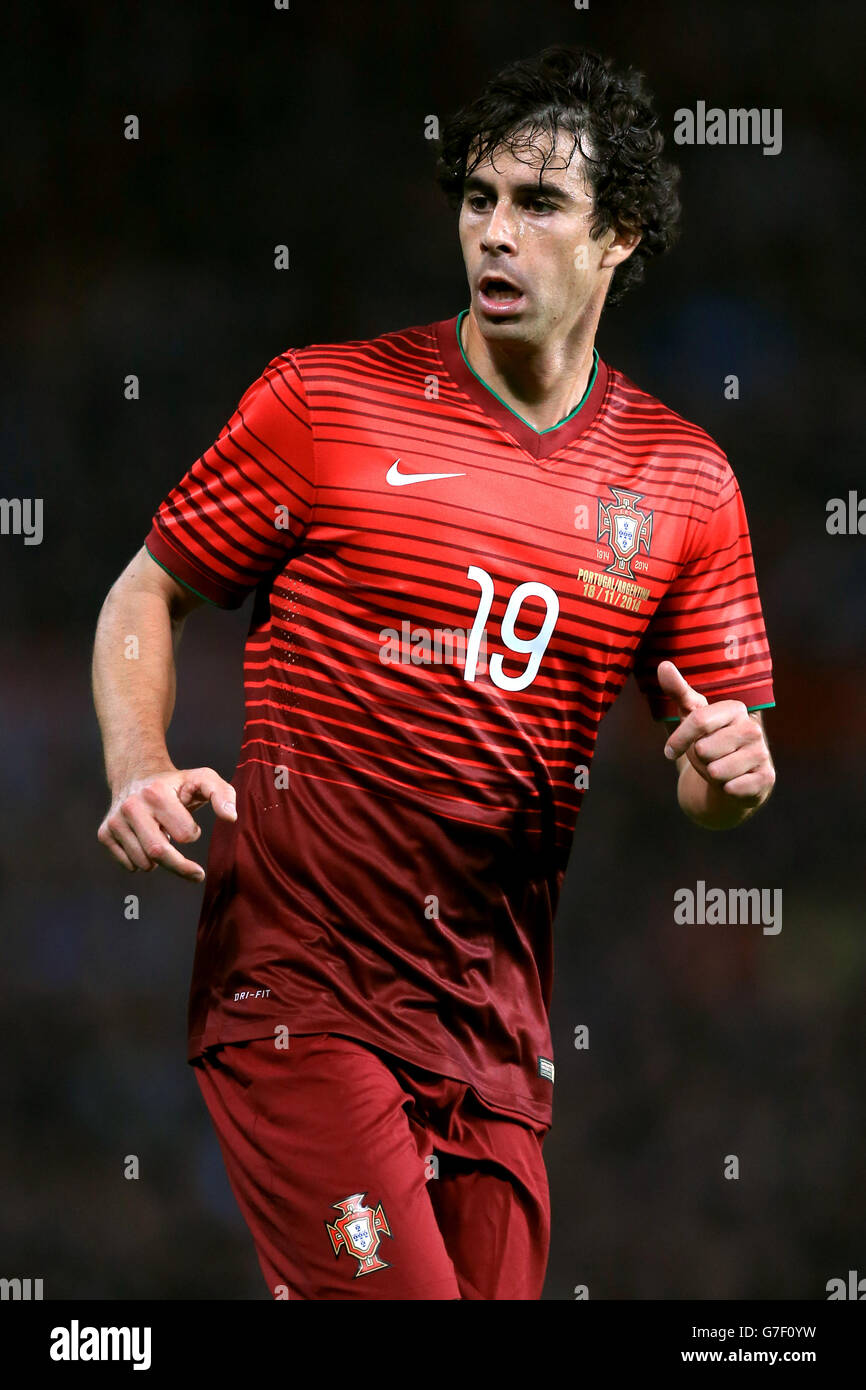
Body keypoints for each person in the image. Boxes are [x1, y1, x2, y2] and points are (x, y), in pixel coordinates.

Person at [92, 44, 776, 1300]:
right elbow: (149, 587)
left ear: (617, 234)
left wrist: (731, 775)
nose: (493, 233)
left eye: (537, 203)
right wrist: (138, 762)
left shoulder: (684, 482)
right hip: (296, 986)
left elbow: (717, 780)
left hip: (492, 1025)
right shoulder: (324, 403)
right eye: (477, 199)